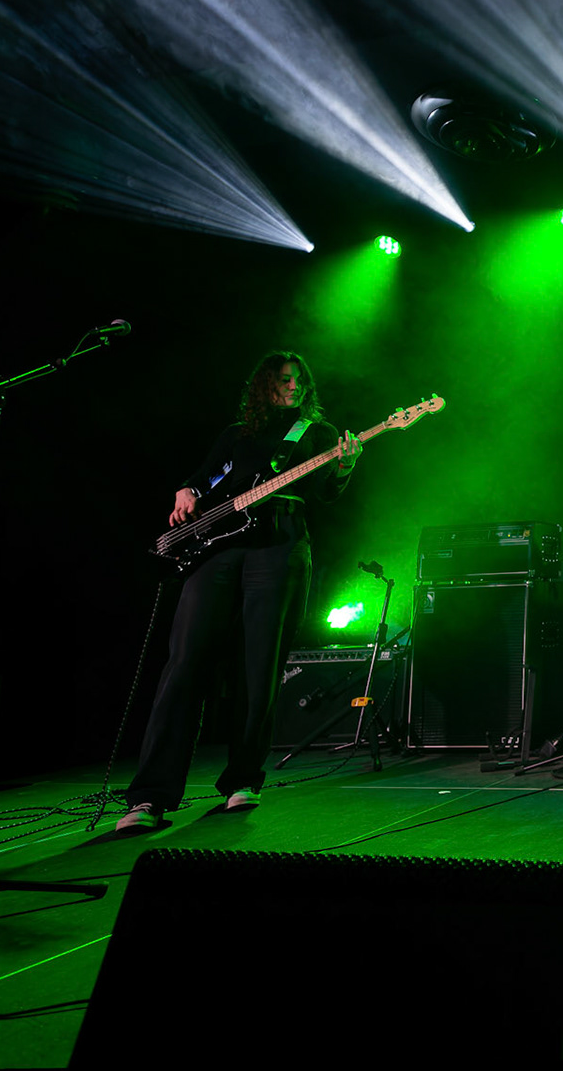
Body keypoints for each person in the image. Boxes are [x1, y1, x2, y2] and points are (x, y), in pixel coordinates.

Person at [118, 351, 361, 831]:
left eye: (299, 380)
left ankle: (243, 780)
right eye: (283, 379)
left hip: (280, 546)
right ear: (264, 385)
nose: (292, 386)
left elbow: (325, 495)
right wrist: (186, 490)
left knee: (259, 665)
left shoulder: (317, 433)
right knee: (184, 665)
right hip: (218, 550)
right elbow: (208, 476)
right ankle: (149, 797)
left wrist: (344, 467)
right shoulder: (238, 433)